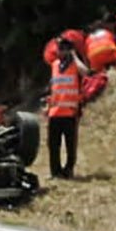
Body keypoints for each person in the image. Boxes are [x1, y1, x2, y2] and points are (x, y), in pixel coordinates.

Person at [48, 38, 88, 179]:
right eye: (59, 49)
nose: (60, 52)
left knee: (70, 146)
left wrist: (75, 56)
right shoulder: (55, 65)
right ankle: (55, 172)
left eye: (64, 49)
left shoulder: (75, 66)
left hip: (70, 113)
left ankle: (68, 170)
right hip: (54, 112)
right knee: (53, 145)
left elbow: (85, 72)